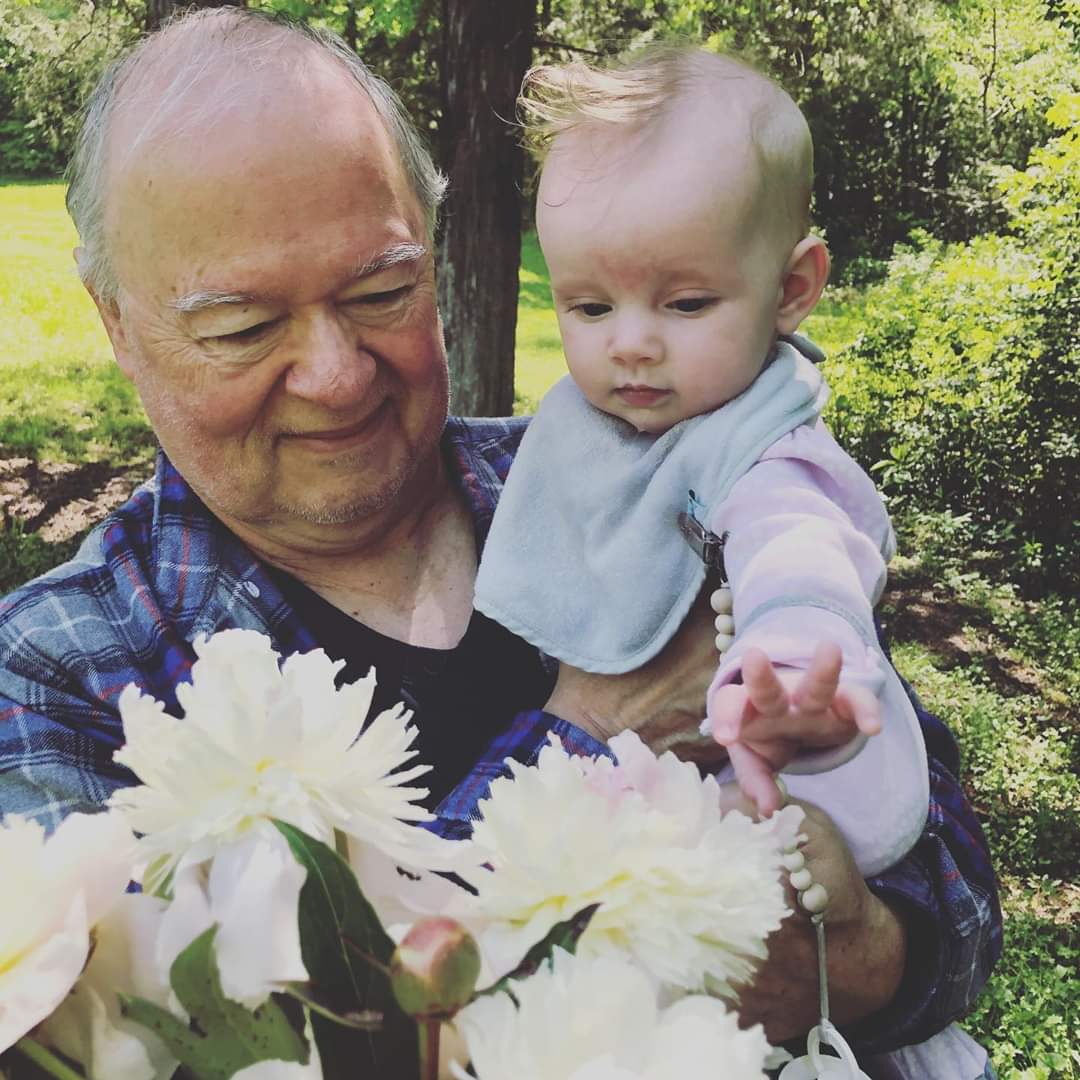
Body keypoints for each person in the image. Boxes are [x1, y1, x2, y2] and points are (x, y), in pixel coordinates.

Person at [0, 7, 998, 1072]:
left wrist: (855, 956)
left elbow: (958, 895)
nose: (337, 376)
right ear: (115, 321)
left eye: (382, 291)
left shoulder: (647, 469)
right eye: (243, 326)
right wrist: (586, 725)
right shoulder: (57, 666)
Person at [473, 46, 993, 1076]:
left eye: (685, 303)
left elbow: (798, 548)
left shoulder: (767, 452)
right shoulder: (585, 436)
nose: (629, 344)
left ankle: (829, 881)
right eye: (589, 307)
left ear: (794, 287)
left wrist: (793, 658)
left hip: (794, 746)